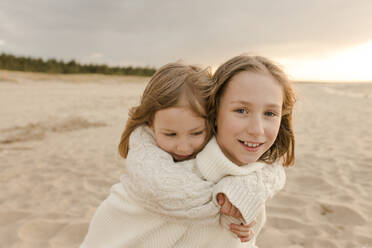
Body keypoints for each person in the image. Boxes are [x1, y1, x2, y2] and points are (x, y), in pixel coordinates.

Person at [81, 55, 296, 248]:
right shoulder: (156, 174)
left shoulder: (253, 178)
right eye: (241, 110)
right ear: (213, 111)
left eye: (270, 113)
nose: (257, 130)